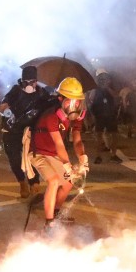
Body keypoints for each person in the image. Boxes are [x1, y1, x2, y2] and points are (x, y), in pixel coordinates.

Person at [28, 77, 89, 231]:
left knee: (69, 183)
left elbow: (77, 140)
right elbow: (59, 143)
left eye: (77, 102)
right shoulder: (51, 116)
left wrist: (83, 158)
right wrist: (68, 166)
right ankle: (49, 223)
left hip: (54, 153)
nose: (74, 106)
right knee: (54, 181)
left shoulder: (76, 118)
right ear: (61, 99)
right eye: (70, 101)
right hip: (38, 152)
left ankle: (56, 213)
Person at [0, 65, 52, 198]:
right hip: (12, 130)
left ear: (36, 81)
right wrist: (5, 110)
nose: (29, 85)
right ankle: (22, 182)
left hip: (30, 131)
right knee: (15, 159)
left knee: (32, 157)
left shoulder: (41, 92)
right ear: (22, 81)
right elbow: (2, 106)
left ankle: (34, 182)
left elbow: (50, 106)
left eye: (32, 81)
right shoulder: (16, 90)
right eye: (26, 82)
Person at [89, 69, 121, 162]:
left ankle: (113, 155)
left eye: (105, 79)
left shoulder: (111, 88)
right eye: (101, 79)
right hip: (100, 115)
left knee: (114, 135)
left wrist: (107, 88)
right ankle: (98, 156)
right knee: (98, 136)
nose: (103, 81)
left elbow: (116, 96)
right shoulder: (95, 89)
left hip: (110, 115)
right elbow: (91, 99)